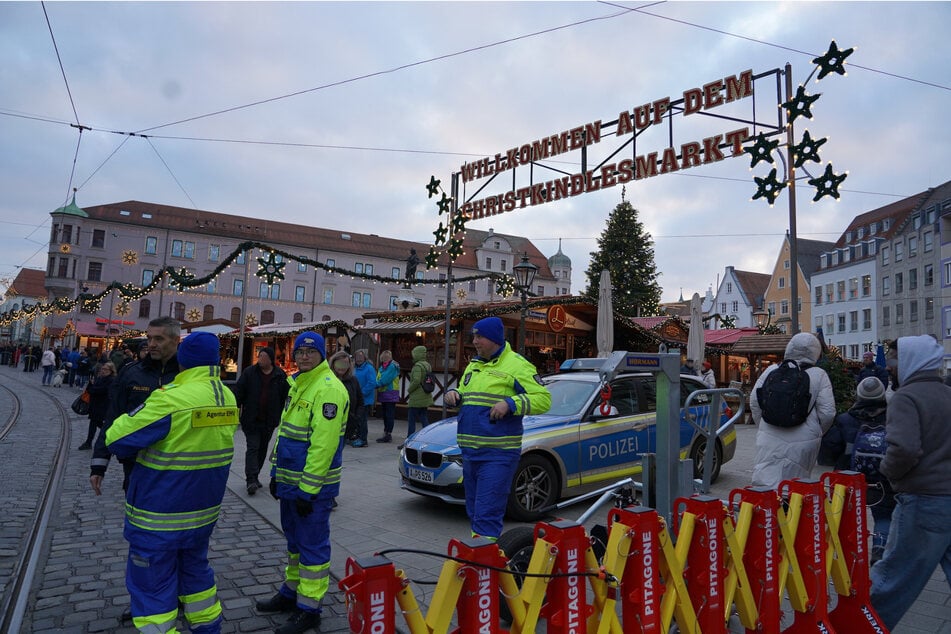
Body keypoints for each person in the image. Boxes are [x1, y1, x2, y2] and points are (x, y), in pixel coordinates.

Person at [105, 331, 238, 633]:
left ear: (184, 359)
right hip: (202, 513)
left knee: (153, 589)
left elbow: (116, 438)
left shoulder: (172, 398)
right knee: (196, 578)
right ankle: (208, 628)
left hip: (159, 514)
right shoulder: (226, 396)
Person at [256, 332, 349, 634]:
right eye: (300, 352)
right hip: (290, 482)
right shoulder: (299, 384)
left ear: (322, 354)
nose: (304, 356)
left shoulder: (328, 389)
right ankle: (291, 592)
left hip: (312, 489)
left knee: (312, 547)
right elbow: (285, 435)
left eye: (311, 351)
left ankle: (310, 608)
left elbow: (322, 446)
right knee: (295, 544)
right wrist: (274, 474)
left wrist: (308, 490)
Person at [442, 317, 551, 540]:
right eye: (474, 336)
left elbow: (544, 400)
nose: (474, 341)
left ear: (493, 338)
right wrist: (455, 396)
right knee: (474, 511)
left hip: (497, 455)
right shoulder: (475, 364)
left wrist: (510, 404)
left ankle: (484, 565)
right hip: (470, 454)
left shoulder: (517, 365)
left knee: (486, 514)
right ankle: (482, 556)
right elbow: (468, 396)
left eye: (479, 336)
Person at [871, 335, 951, 630]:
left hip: (923, 499)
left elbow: (904, 449)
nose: (889, 367)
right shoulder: (948, 394)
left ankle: (866, 627)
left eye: (893, 360)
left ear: (909, 361)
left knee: (894, 577)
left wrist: (888, 472)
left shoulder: (907, 397)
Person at [90, 317, 181, 497]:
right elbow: (113, 417)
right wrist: (99, 465)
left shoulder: (185, 374)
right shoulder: (132, 372)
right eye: (149, 338)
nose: (151, 344)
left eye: (159, 339)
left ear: (176, 340)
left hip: (174, 463)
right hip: (135, 461)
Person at [818, 376, 894, 560]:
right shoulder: (892, 417)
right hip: (881, 478)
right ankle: (879, 546)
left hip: (847, 476)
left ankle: (845, 554)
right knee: (884, 516)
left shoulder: (846, 419)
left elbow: (830, 448)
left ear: (859, 394)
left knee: (845, 515)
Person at [749, 332, 836, 489]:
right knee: (796, 486)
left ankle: (767, 510)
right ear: (815, 352)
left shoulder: (771, 370)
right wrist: (816, 431)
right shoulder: (819, 375)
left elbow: (754, 401)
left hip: (769, 435)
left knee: (765, 480)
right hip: (805, 439)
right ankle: (790, 511)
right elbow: (828, 412)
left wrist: (763, 425)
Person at [234, 347, 289, 496]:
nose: (261, 359)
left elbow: (286, 396)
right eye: (260, 356)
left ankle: (255, 475)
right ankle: (250, 479)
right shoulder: (249, 373)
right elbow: (239, 392)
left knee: (262, 448)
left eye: (264, 357)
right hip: (251, 419)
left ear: (271, 359)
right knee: (253, 447)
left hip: (269, 421)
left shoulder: (279, 375)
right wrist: (234, 411)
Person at [78, 361, 116, 451]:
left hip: (103, 405)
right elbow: (92, 388)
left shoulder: (112, 380)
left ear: (111, 370)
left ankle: (110, 437)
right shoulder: (100, 378)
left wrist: (93, 389)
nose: (103, 371)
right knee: (94, 423)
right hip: (95, 404)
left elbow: (102, 390)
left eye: (106, 369)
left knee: (97, 423)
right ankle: (89, 442)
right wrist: (92, 386)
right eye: (102, 369)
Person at [330, 351, 364, 446]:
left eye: (345, 364)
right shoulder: (327, 379)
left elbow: (360, 402)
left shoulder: (353, 381)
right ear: (333, 364)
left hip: (347, 427)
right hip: (329, 426)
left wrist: (356, 418)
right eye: (339, 363)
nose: (342, 367)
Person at [404, 345, 434, 447]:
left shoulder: (417, 366)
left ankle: (409, 440)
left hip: (417, 397)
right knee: (424, 418)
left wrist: (409, 389)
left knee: (411, 420)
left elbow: (416, 380)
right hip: (425, 395)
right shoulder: (427, 365)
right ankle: (429, 438)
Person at [351, 349, 375, 447]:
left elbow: (372, 383)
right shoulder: (353, 368)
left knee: (362, 420)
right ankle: (356, 436)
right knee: (355, 419)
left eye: (361, 357)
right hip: (355, 399)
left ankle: (363, 440)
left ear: (365, 357)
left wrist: (361, 393)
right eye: (357, 357)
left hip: (364, 400)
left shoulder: (369, 368)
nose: (359, 359)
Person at [375, 350, 399, 443]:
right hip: (384, 393)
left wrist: (375, 384)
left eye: (387, 356)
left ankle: (388, 434)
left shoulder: (392, 367)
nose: (385, 358)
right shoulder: (383, 367)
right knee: (385, 414)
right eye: (384, 357)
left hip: (390, 392)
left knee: (389, 414)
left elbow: (385, 379)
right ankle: (386, 433)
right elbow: (379, 377)